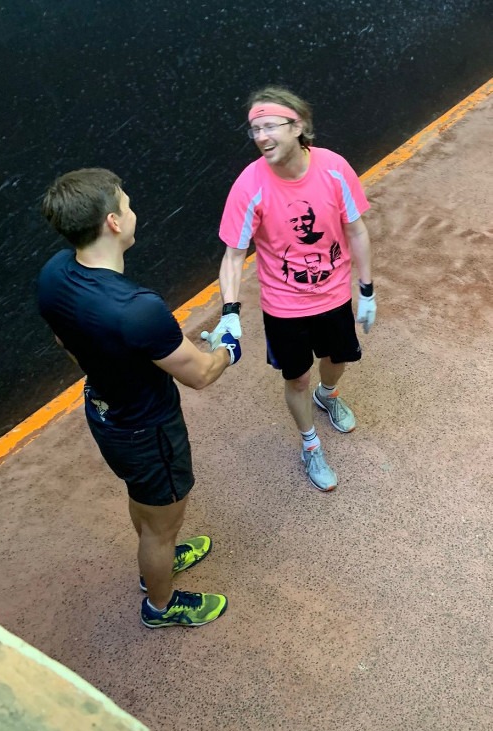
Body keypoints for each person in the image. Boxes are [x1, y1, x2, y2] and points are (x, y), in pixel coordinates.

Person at [38, 168, 241, 629]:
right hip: (149, 432)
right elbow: (201, 374)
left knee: (146, 503)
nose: (133, 211)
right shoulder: (138, 308)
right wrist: (229, 345)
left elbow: (63, 341)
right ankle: (160, 605)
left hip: (104, 412)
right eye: (126, 205)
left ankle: (158, 557)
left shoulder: (54, 274)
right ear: (112, 222)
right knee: (162, 524)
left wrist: (109, 366)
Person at [202, 86, 376, 492]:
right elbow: (233, 256)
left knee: (337, 358)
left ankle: (327, 395)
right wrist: (229, 311)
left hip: (334, 295)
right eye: (255, 129)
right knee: (296, 379)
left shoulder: (334, 169)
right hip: (284, 306)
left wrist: (366, 290)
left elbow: (356, 230)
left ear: (298, 126)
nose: (261, 137)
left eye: (270, 127)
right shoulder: (249, 186)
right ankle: (310, 444)